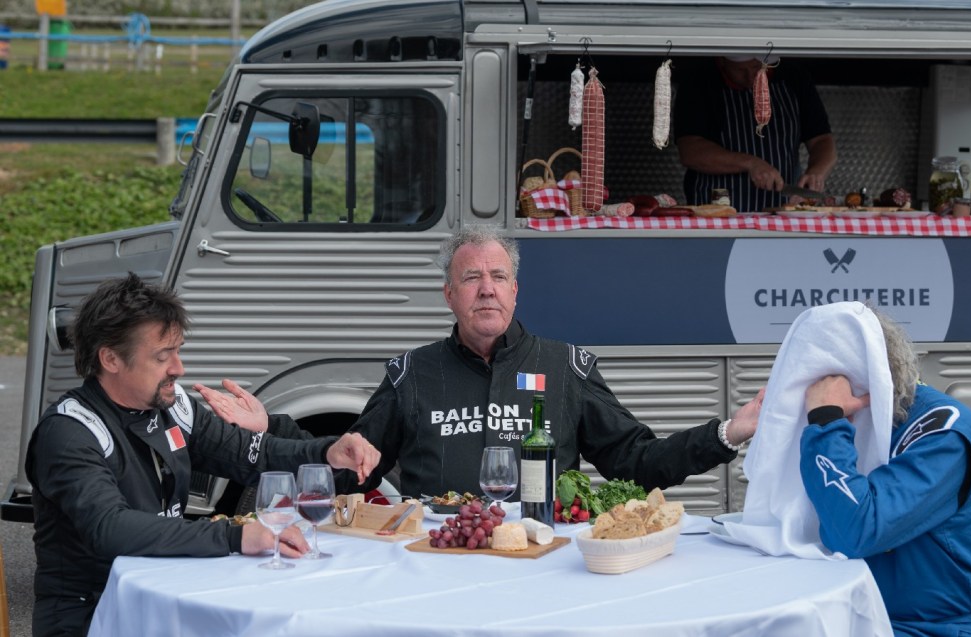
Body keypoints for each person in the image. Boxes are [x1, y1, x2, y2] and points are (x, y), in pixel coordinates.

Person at [201, 226, 762, 500]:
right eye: (471, 278)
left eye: (497, 278)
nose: (486, 291)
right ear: (450, 295)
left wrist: (727, 433)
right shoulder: (411, 374)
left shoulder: (567, 367)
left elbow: (636, 463)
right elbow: (353, 464)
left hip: (544, 565)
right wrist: (267, 428)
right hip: (434, 561)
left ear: (516, 292)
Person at [26, 273, 380, 637]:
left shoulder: (173, 405)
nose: (178, 368)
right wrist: (235, 537)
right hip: (92, 615)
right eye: (163, 356)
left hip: (163, 596)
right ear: (111, 359)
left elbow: (255, 455)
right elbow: (110, 527)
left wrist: (329, 452)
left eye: (178, 351)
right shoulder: (70, 432)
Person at [800, 308, 971, 636]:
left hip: (933, 626)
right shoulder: (872, 424)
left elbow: (856, 532)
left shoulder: (943, 434)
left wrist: (826, 421)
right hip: (861, 612)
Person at [675, 55, 837, 212]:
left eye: (757, 68)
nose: (750, 76)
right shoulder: (699, 81)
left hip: (783, 208)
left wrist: (816, 173)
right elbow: (690, 151)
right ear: (722, 61)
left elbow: (821, 140)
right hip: (718, 207)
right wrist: (750, 163)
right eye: (740, 70)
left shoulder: (794, 77)